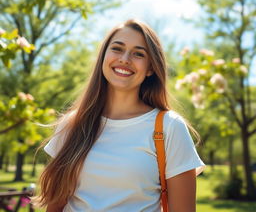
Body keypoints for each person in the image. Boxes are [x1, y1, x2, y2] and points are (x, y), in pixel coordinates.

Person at [35, 19, 205, 212]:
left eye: (138, 53)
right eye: (117, 48)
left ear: (150, 68)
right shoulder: (71, 124)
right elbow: (55, 206)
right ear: (103, 57)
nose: (125, 59)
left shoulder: (169, 127)